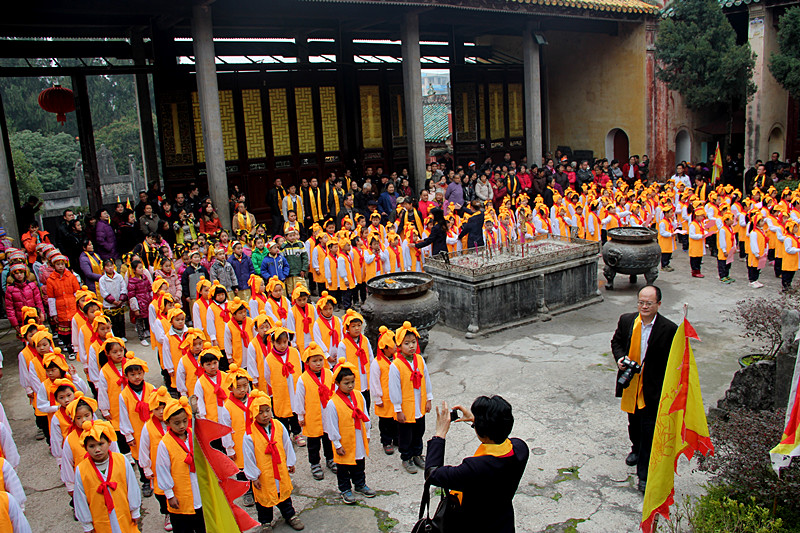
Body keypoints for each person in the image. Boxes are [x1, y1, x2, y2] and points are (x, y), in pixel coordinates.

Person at [424, 395, 529, 533]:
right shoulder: (520, 448)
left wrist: (440, 434)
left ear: (482, 432)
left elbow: (433, 473)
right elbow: (500, 437)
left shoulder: (475, 468)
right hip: (504, 523)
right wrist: (477, 421)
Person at [610, 285, 678, 493]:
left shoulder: (669, 329)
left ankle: (644, 474)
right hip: (632, 382)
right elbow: (617, 342)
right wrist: (621, 359)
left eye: (649, 303)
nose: (644, 306)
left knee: (649, 429)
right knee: (634, 422)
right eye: (641, 302)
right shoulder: (628, 321)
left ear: (659, 304)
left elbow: (672, 360)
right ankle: (636, 449)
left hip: (652, 387)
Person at [73, 420, 142, 533]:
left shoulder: (121, 460)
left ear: (109, 442)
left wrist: (135, 510)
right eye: (91, 446)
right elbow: (80, 498)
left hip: (123, 512)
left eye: (101, 444)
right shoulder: (81, 470)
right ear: (85, 447)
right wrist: (87, 524)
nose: (97, 450)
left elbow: (132, 486)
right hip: (99, 518)